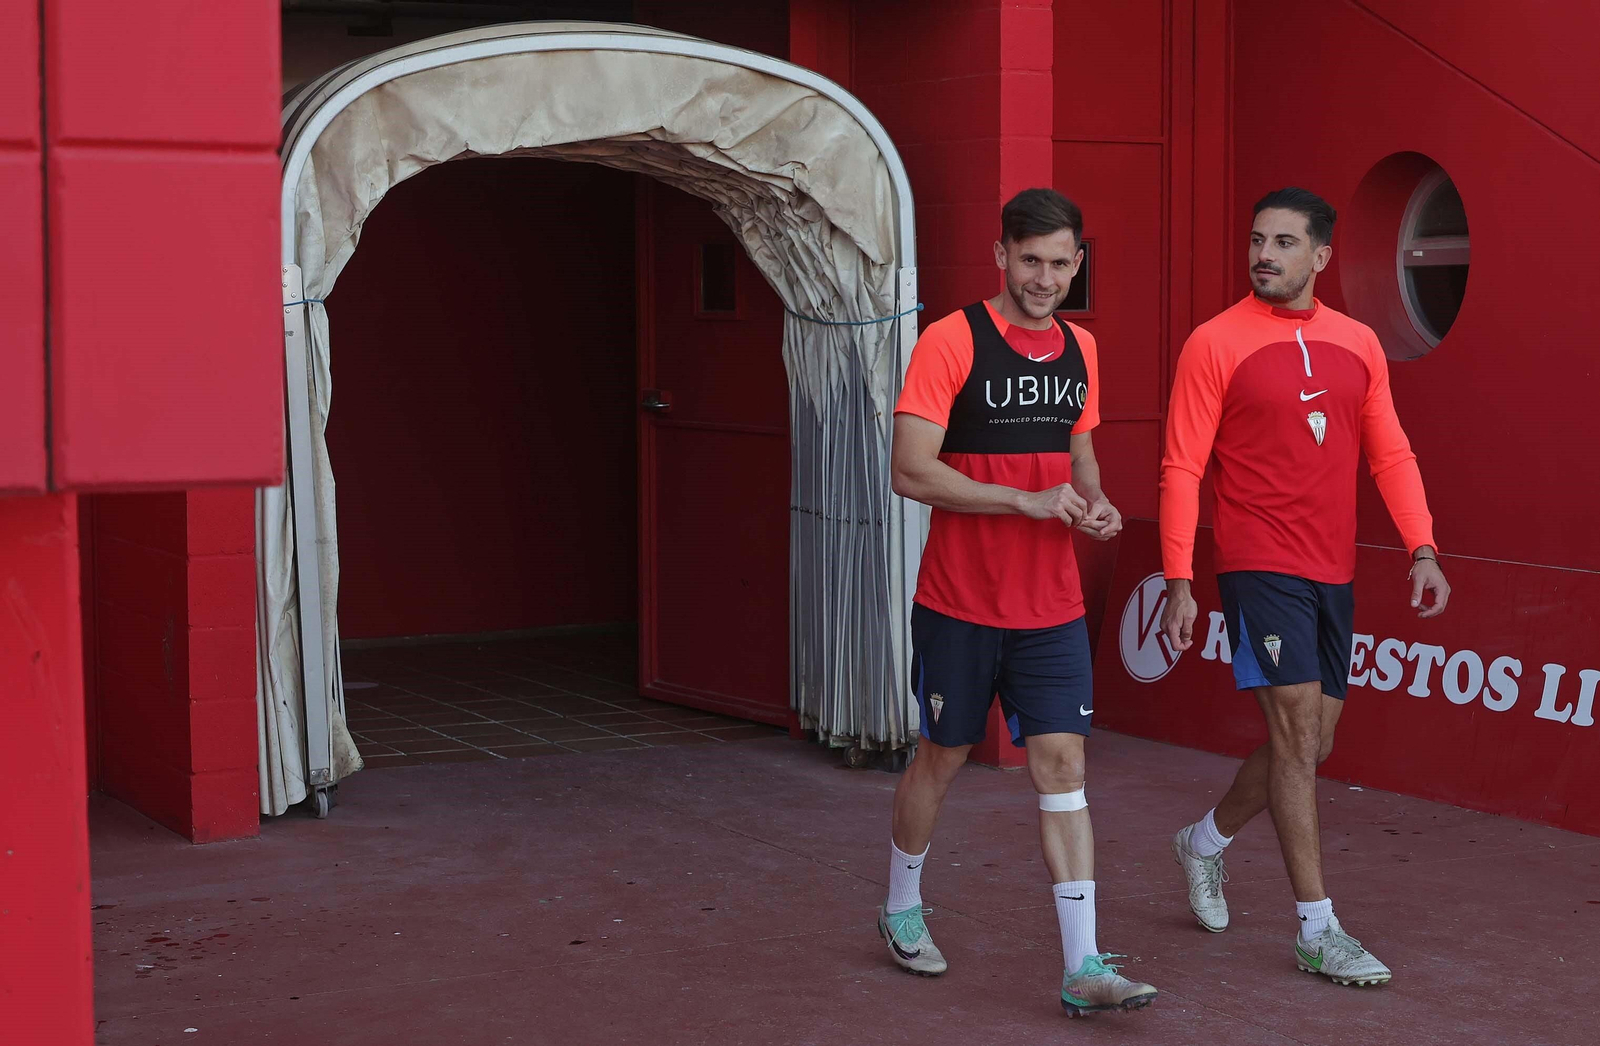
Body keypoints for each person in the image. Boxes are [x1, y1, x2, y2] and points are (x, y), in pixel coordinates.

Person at [1159, 187, 1451, 987]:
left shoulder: (1359, 342)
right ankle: (1318, 930)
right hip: (1258, 562)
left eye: (1284, 243)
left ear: (1320, 256)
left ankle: (1203, 843)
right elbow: (1182, 466)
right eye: (1258, 240)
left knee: (1314, 744)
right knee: (1294, 736)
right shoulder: (1214, 342)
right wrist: (1180, 579)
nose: (1264, 254)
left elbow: (1390, 452)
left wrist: (1422, 547)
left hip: (1333, 569)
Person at [878, 188, 1157, 1017]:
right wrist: (1022, 502)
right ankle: (901, 905)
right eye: (1029, 259)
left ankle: (1084, 967)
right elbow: (909, 470)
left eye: (1059, 263)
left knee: (1064, 766)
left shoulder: (1082, 348)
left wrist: (1095, 503)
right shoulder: (951, 340)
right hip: (959, 602)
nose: (1044, 278)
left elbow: (1081, 455)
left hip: (1051, 609)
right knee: (942, 757)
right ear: (1000, 255)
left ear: (1078, 263)